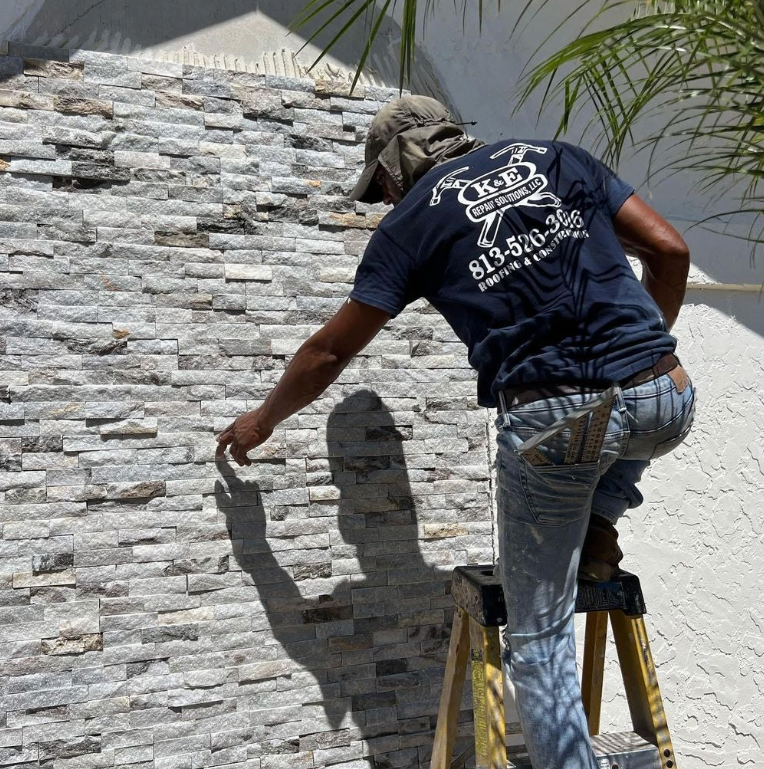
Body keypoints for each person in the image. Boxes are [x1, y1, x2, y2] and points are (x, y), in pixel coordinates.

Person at [216, 95, 695, 769]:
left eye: (379, 186)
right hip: (667, 395)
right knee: (627, 427)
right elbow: (670, 249)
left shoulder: (410, 223)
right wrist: (647, 350)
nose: (383, 200)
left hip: (554, 422)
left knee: (538, 639)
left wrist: (262, 420)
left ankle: (591, 528)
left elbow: (328, 353)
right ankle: (599, 523)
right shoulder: (557, 158)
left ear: (396, 165)